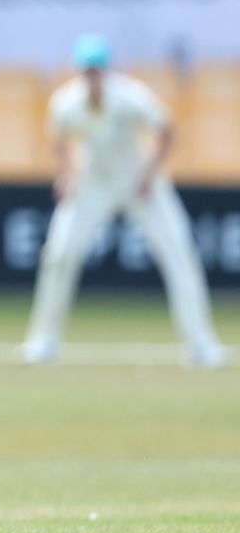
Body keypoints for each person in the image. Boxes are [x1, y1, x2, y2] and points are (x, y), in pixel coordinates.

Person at [21, 34, 227, 369]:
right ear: (78, 72)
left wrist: (149, 174)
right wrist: (65, 174)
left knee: (179, 250)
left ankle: (201, 344)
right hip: (93, 184)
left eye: (97, 70)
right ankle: (43, 341)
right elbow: (58, 137)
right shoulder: (66, 102)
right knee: (59, 254)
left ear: (106, 70)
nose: (92, 77)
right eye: (87, 71)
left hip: (139, 182)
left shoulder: (130, 97)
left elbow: (168, 129)